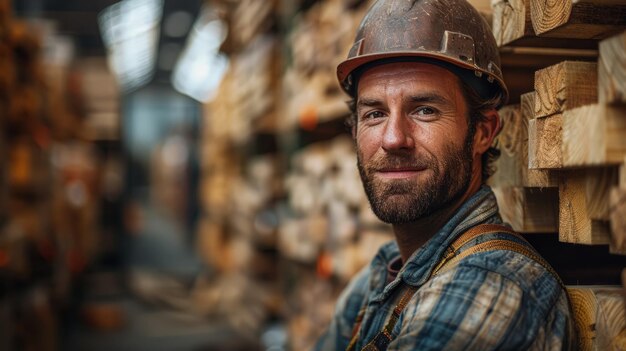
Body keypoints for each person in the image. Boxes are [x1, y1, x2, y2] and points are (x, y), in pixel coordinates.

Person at [314, 0, 575, 350]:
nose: (393, 139)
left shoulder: (492, 284)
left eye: (425, 110)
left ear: (483, 132)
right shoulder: (382, 275)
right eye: (375, 113)